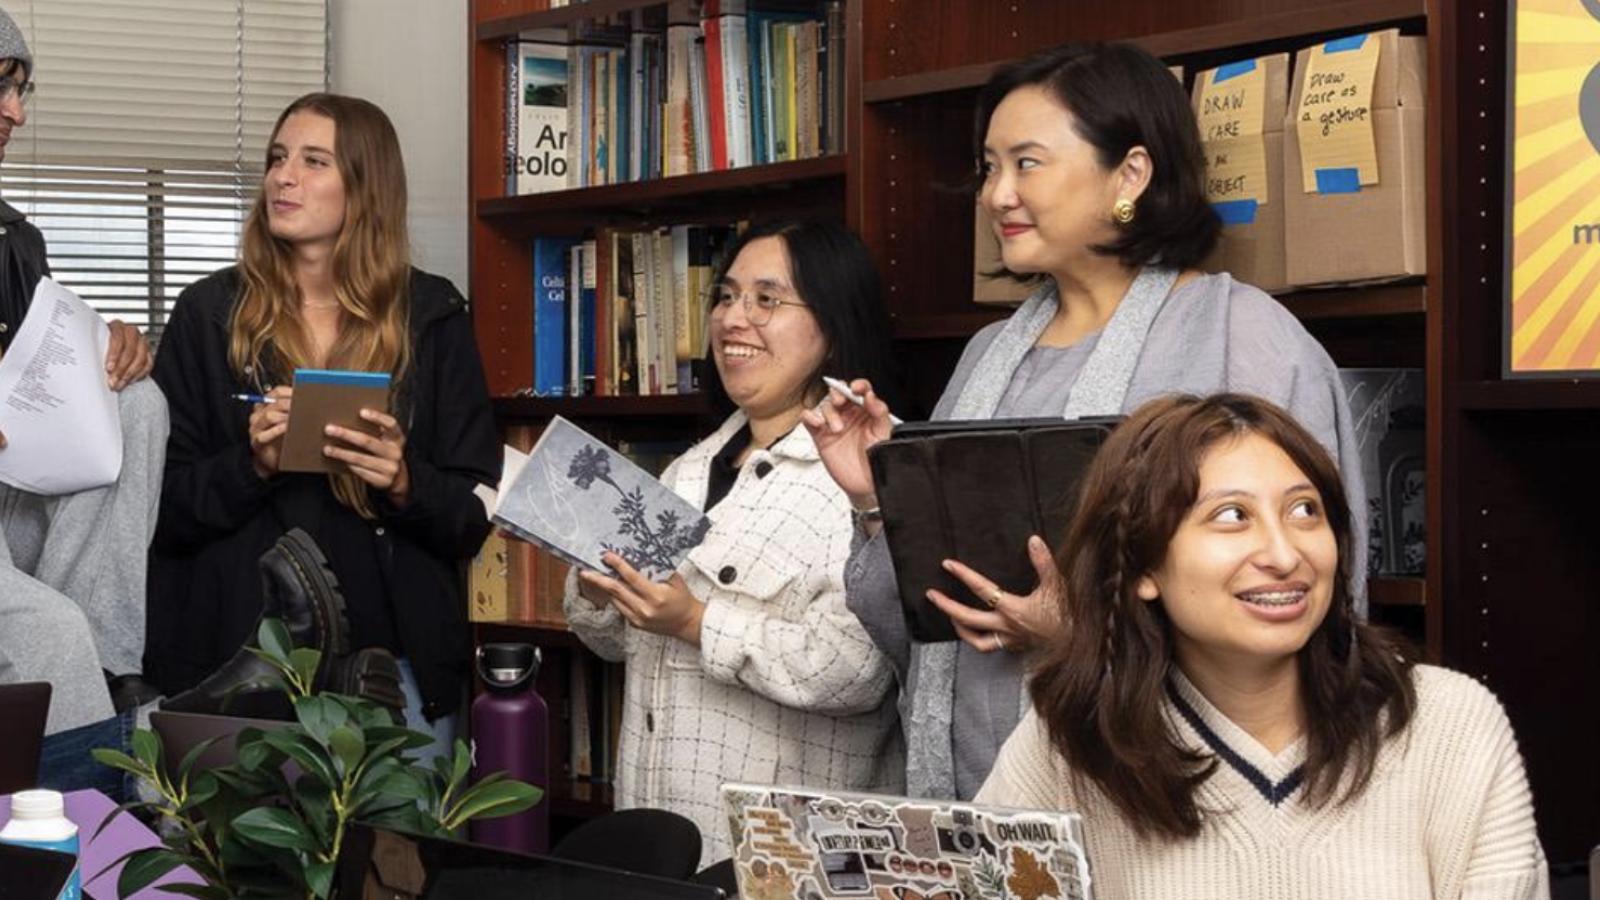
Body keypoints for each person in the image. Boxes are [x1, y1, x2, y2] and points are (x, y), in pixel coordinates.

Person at [804, 40, 1368, 801]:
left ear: (1130, 173)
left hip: (1164, 802)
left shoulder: (1242, 338)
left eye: (1027, 163)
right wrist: (877, 498)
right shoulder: (984, 359)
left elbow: (1309, 601)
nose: (997, 194)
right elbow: (909, 621)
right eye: (989, 167)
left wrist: (1079, 632)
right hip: (977, 800)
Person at [977, 393, 1548, 899]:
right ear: (1143, 566)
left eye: (1305, 511)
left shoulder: (1447, 726)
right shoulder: (1070, 743)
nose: (1283, 553)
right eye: (1233, 516)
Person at [147, 93, 499, 758]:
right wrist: (251, 466)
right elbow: (157, 513)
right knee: (232, 865)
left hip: (395, 678)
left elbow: (471, 516)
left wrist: (401, 480)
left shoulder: (434, 317)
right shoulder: (208, 315)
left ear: (364, 187)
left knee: (401, 861)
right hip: (237, 672)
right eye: (279, 158)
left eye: (313, 161)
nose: (284, 176)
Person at [563, 219, 906, 866]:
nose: (732, 319)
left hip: (792, 854)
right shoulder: (689, 468)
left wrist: (695, 621)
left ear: (832, 324)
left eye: (766, 300)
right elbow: (616, 644)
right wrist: (600, 581)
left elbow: (856, 671)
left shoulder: (871, 469)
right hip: (660, 834)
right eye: (725, 296)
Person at [0, 7, 170, 797]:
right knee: (49, 631)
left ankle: (103, 670)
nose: (17, 113)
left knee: (138, 405)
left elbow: (42, 372)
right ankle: (101, 823)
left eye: (23, 90)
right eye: (0, 87)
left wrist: (112, 347)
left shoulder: (14, 241)